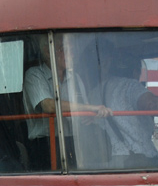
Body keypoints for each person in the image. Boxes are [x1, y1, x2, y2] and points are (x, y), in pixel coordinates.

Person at [23, 39, 110, 169]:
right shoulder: (34, 75)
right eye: (66, 50)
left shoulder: (75, 77)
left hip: (74, 141)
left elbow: (83, 111)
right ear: (48, 51)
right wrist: (90, 108)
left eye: (72, 51)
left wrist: (89, 116)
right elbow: (49, 106)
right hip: (45, 144)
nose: (72, 55)